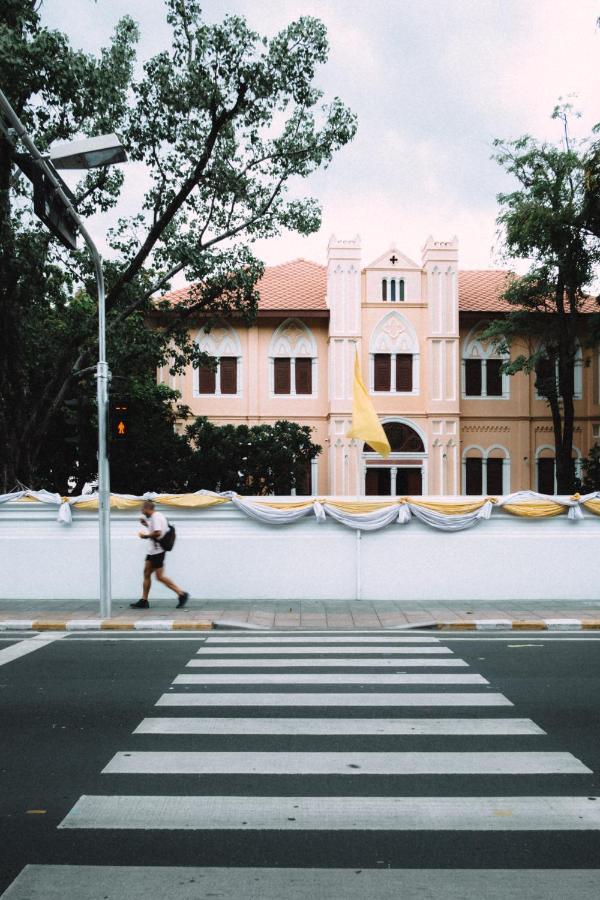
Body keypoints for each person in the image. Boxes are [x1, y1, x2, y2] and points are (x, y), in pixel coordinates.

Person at [130, 500, 189, 609]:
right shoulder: (155, 517)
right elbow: (157, 530)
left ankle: (181, 594)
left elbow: (158, 533)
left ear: (148, 508)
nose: (142, 511)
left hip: (158, 551)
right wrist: (146, 524)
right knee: (146, 573)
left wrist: (145, 536)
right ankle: (144, 600)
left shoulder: (156, 517)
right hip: (153, 551)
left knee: (159, 576)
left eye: (143, 509)